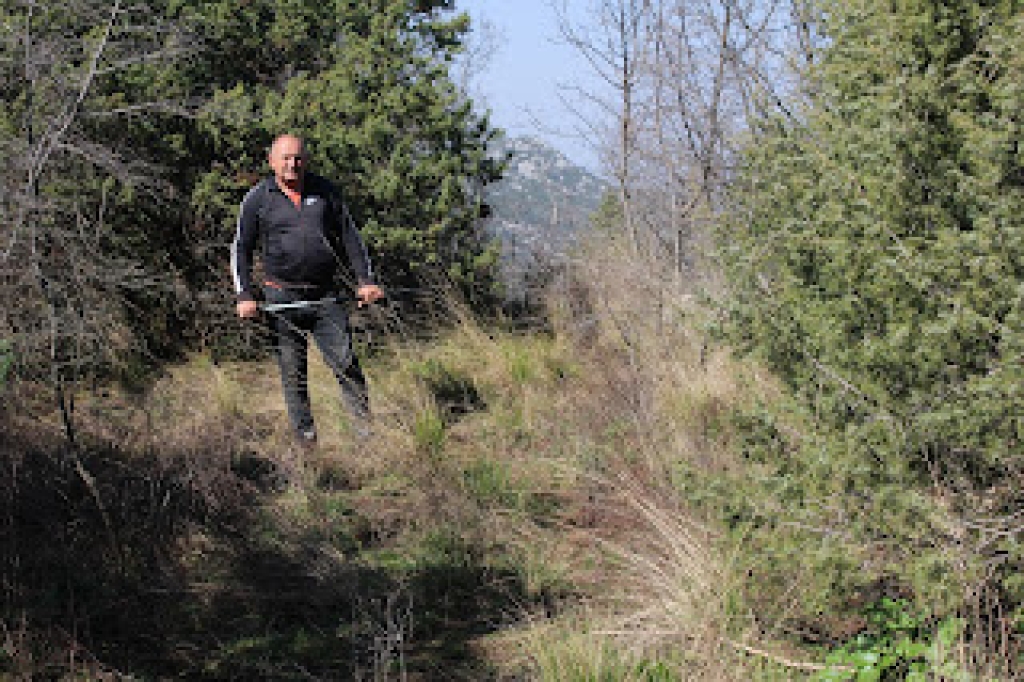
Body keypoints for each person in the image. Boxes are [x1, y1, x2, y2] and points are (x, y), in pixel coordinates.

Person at [231, 134, 384, 447]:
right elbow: (240, 248)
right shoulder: (258, 198)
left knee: (346, 364)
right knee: (293, 374)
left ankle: (365, 437)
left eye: (298, 157)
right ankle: (306, 441)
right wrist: (245, 295)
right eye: (285, 158)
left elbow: (351, 237)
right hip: (280, 300)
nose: (292, 164)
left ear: (306, 160)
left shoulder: (326, 192)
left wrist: (365, 280)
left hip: (325, 296)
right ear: (272, 161)